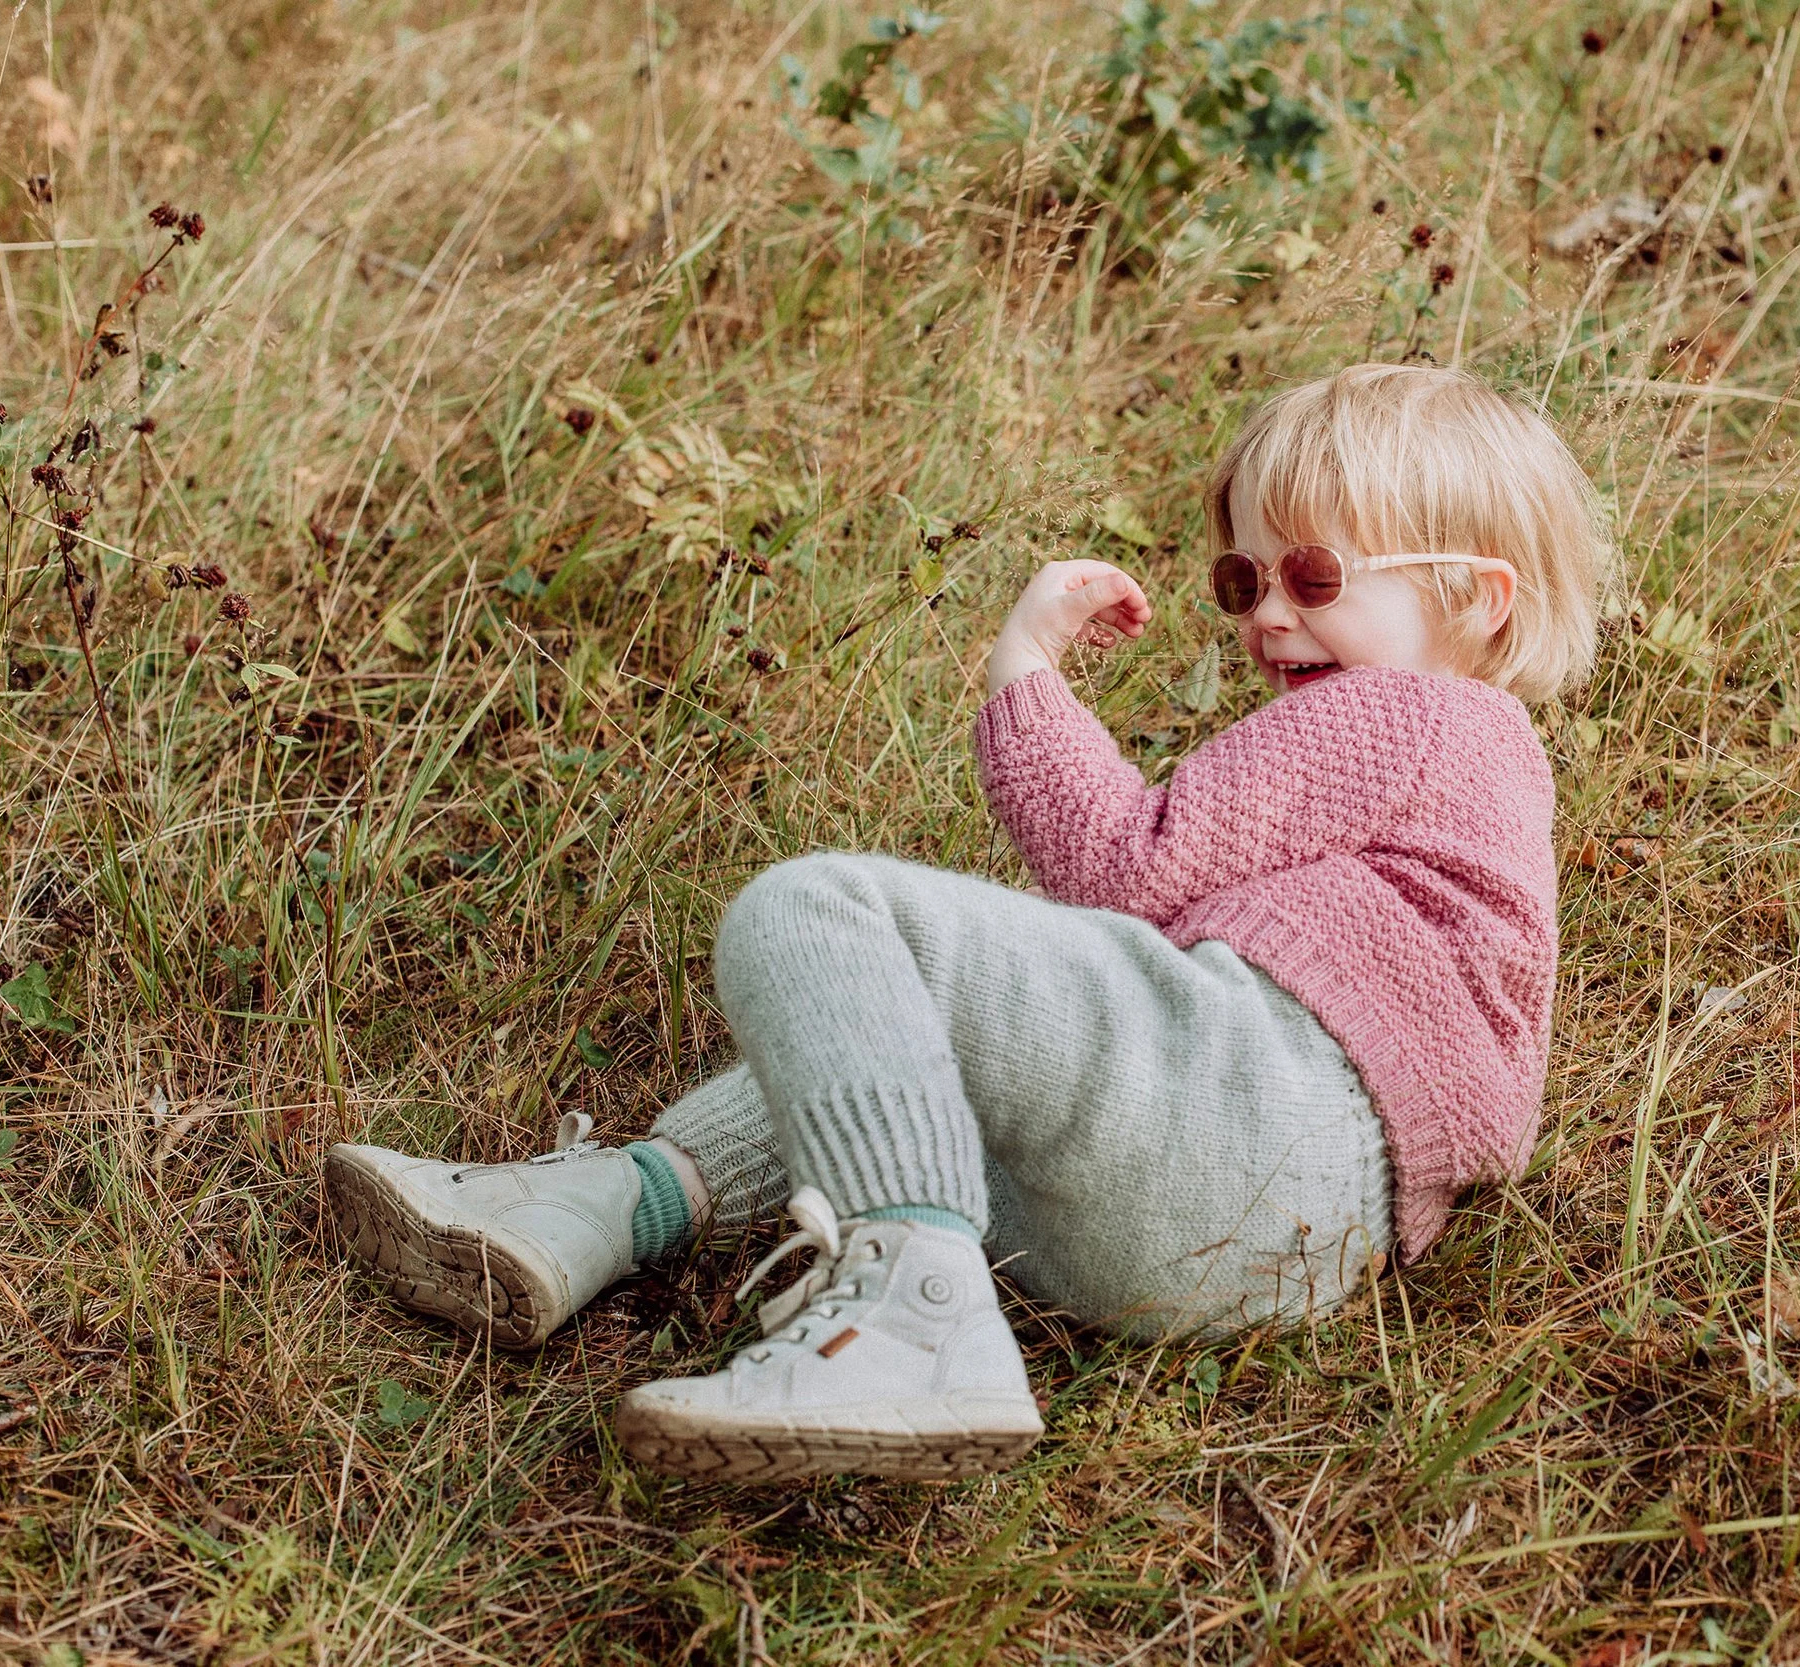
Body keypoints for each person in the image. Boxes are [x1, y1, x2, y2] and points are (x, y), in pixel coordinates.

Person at [324, 362, 1619, 1483]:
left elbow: (1125, 866)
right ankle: (611, 1202)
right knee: (901, 1056)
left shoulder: (1419, 713)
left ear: (1480, 599)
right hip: (1277, 1246)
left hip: (1254, 1112)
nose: (1269, 610)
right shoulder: (1484, 779)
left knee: (821, 915)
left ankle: (909, 1314)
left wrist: (1026, 674)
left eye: (1318, 571)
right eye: (1243, 575)